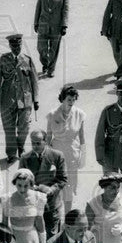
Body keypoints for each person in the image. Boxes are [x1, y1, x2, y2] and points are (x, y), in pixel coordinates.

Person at [0, 34, 39, 162]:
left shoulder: (27, 60)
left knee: (25, 127)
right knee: (9, 128)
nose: (16, 48)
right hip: (7, 99)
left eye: (18, 45)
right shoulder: (3, 59)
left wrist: (36, 100)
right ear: (9, 46)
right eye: (13, 46)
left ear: (21, 45)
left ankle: (21, 147)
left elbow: (34, 80)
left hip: (25, 99)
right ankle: (11, 153)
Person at [45, 85, 87, 215]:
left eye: (74, 99)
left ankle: (67, 215)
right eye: (69, 99)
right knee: (57, 183)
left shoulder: (79, 114)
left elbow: (82, 137)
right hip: (56, 152)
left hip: (72, 153)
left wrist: (83, 155)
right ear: (62, 99)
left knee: (69, 185)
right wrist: (46, 155)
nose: (71, 102)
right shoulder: (52, 114)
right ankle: (56, 212)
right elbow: (48, 136)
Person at [33, 0, 69, 78]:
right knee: (41, 48)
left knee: (54, 49)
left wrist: (64, 26)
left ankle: (51, 69)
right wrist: (36, 23)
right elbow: (38, 9)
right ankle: (45, 64)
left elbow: (65, 11)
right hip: (43, 26)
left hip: (56, 27)